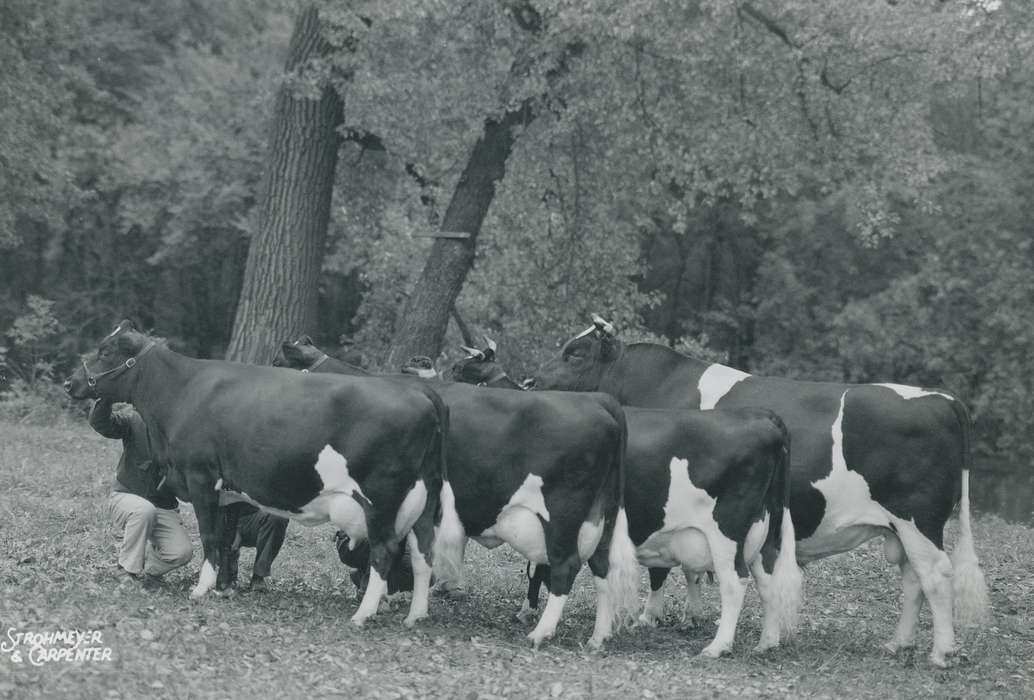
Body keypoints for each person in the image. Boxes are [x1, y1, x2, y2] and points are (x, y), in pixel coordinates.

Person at [89, 398, 192, 590]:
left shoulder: (186, 433)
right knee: (143, 510)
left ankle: (149, 571)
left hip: (163, 505)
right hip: (126, 497)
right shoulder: (134, 420)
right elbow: (102, 423)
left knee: (182, 552)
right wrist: (105, 397)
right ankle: (125, 570)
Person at [219, 496, 289, 591]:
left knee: (278, 516)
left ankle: (259, 576)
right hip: (224, 519)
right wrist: (233, 530)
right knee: (223, 583)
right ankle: (224, 570)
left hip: (253, 517)